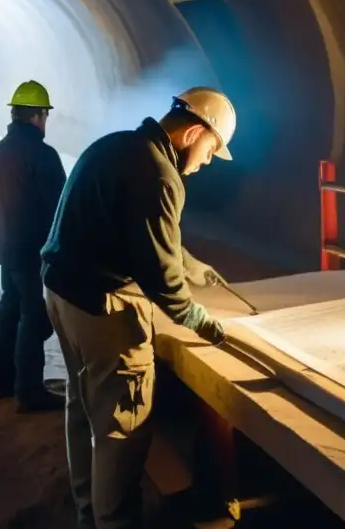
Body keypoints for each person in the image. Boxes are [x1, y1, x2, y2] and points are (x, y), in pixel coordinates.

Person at [42, 86, 236, 529]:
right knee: (120, 427)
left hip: (62, 295)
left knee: (83, 411)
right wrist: (198, 319)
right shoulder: (160, 174)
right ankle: (114, 522)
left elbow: (140, 232)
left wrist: (192, 265)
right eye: (211, 149)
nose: (207, 162)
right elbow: (161, 281)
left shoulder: (117, 145)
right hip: (102, 308)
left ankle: (89, 514)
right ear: (193, 132)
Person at [0, 80, 67, 412]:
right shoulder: (43, 155)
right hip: (33, 251)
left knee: (11, 308)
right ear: (39, 116)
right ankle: (29, 392)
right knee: (35, 317)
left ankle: (1, 381)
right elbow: (60, 208)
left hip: (5, 247)